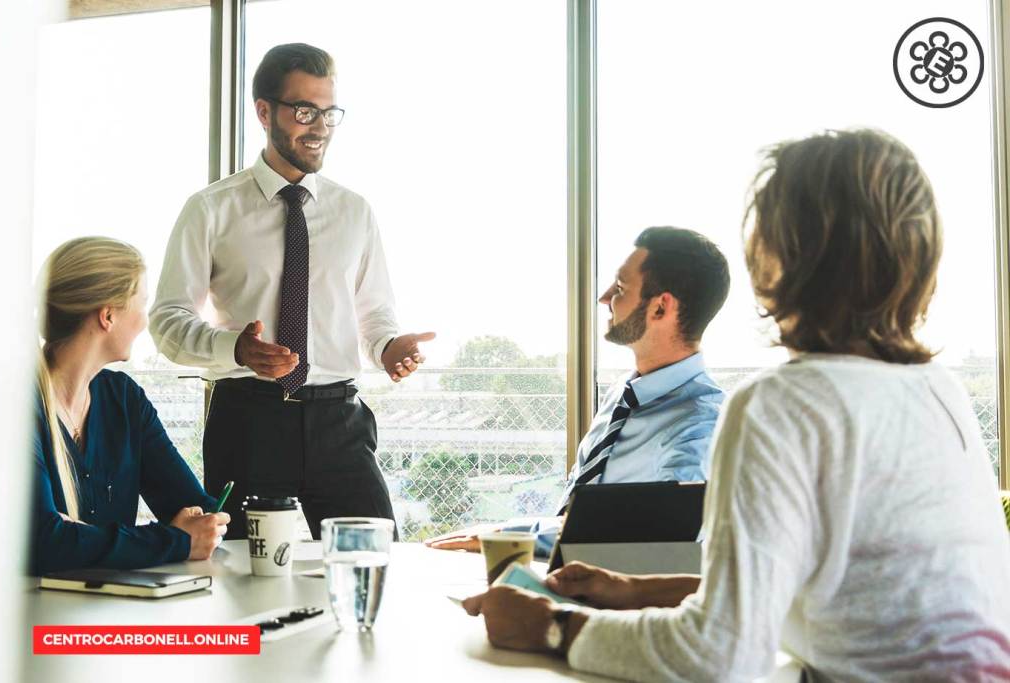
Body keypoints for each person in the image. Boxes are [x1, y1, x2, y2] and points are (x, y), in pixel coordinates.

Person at [462, 129, 1010, 680]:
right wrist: (634, 588)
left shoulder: (781, 405)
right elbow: (836, 593)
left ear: (776, 257)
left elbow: (719, 656)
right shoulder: (936, 389)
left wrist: (552, 627)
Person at [150, 43, 433, 540]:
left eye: (328, 113)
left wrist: (389, 348)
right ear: (264, 112)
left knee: (374, 558)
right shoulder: (210, 209)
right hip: (247, 422)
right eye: (305, 111)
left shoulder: (354, 212)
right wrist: (234, 347)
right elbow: (168, 320)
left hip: (340, 423)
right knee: (242, 575)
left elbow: (373, 315)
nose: (320, 127)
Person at [428, 227, 730, 556]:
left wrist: (512, 535)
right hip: (562, 570)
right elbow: (584, 515)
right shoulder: (624, 395)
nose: (604, 298)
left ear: (660, 308)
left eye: (620, 287)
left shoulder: (700, 424)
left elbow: (658, 534)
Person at [30, 237, 228, 575]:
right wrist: (175, 541)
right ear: (107, 316)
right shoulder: (14, 406)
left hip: (113, 612)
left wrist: (88, 539)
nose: (145, 320)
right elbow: (46, 543)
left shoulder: (125, 399)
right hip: (33, 618)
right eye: (143, 303)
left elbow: (195, 508)